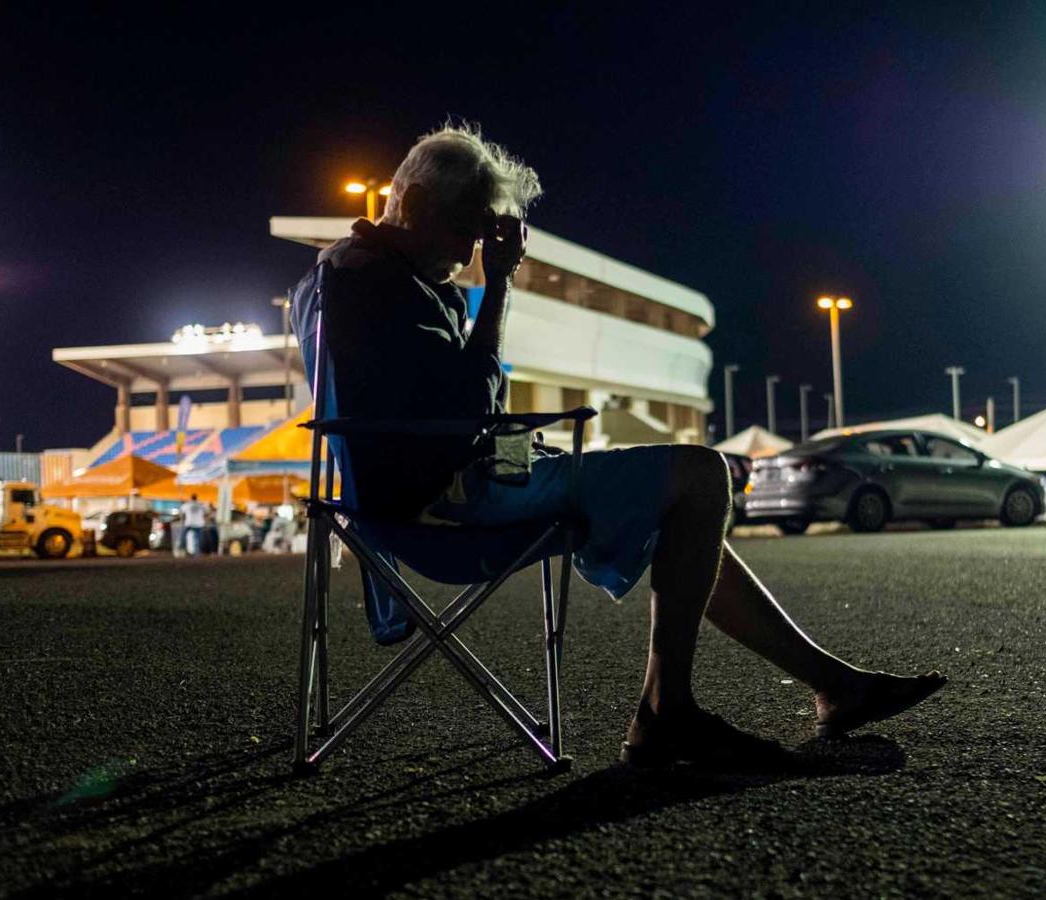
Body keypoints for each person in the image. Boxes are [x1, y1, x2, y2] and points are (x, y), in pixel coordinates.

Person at [301, 124, 945, 768]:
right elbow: (475, 410)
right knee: (701, 475)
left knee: (682, 504)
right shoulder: (389, 287)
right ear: (412, 206)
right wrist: (499, 285)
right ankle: (672, 711)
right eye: (464, 228)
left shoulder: (331, 278)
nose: (471, 248)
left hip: (391, 501)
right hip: (448, 503)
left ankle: (830, 686)